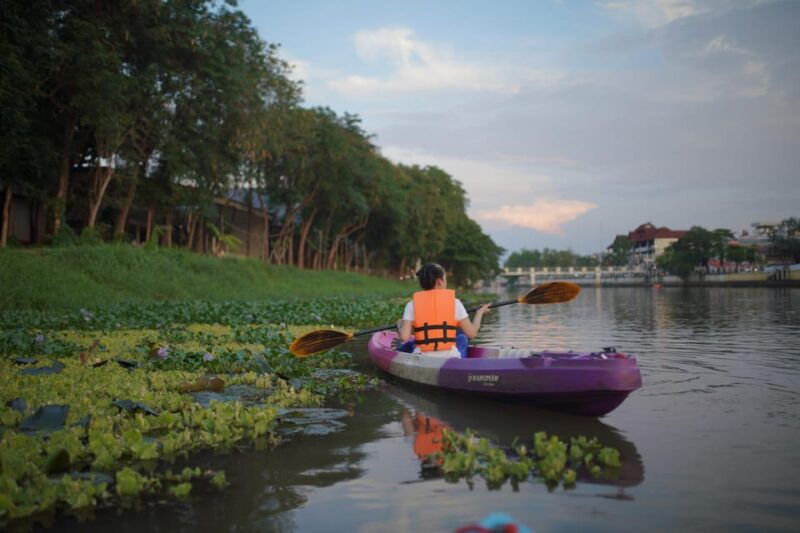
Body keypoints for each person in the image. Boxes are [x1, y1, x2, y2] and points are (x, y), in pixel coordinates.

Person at [396, 263, 491, 358]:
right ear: (440, 281)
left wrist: (400, 326)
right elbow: (472, 334)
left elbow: (404, 337)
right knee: (462, 337)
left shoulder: (411, 304)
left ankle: (401, 349)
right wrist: (480, 312)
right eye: (445, 277)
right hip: (450, 359)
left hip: (422, 357)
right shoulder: (455, 302)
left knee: (413, 343)